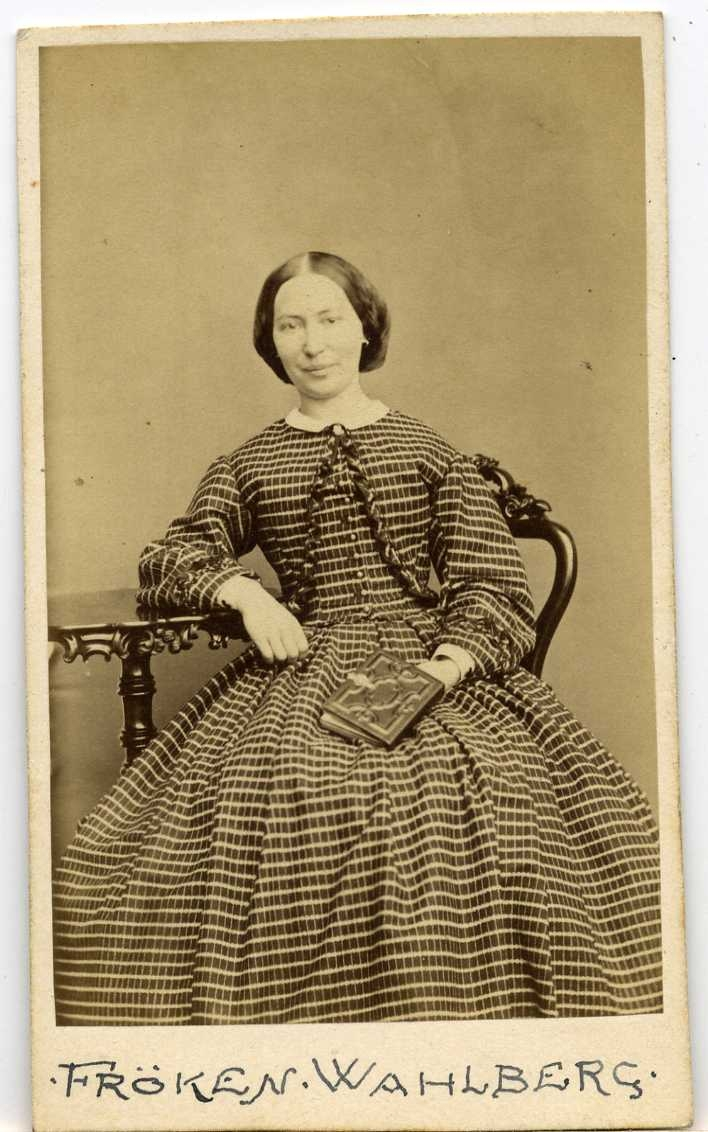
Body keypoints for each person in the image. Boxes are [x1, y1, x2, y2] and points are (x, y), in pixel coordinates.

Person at [53, 251, 662, 1025]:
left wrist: (442, 668)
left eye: (330, 320)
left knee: (464, 795)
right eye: (291, 325)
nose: (313, 344)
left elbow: (493, 587)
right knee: (283, 788)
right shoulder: (249, 463)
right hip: (299, 666)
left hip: (438, 667)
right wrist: (246, 595)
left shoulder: (429, 452)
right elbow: (171, 556)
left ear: (365, 328)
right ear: (270, 341)